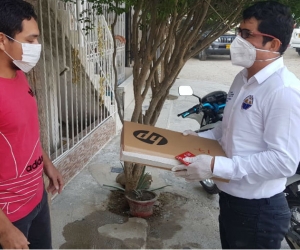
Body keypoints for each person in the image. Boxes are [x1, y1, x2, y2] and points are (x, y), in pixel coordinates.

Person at [172, 1, 300, 249]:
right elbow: (229, 128)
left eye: (246, 34)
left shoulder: (283, 91)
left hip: (259, 213)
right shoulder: (242, 79)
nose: (237, 40)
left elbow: (283, 161)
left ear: (273, 44)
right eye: (239, 31)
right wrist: (199, 139)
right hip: (231, 201)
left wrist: (214, 165)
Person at [0, 0, 64, 249]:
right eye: (30, 40)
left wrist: (47, 165)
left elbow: (26, 132)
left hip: (37, 200)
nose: (37, 47)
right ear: (3, 40)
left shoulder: (19, 75)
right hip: (10, 216)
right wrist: (5, 230)